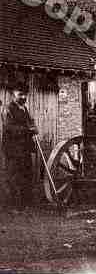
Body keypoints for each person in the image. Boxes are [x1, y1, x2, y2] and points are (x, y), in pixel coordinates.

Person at [2, 83, 38, 211]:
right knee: (14, 177)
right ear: (13, 95)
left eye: (24, 95)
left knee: (26, 176)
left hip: (24, 149)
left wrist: (34, 128)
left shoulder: (24, 109)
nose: (23, 97)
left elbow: (29, 124)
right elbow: (10, 128)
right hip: (13, 150)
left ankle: (25, 204)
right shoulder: (8, 109)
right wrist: (28, 130)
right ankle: (13, 206)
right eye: (20, 94)